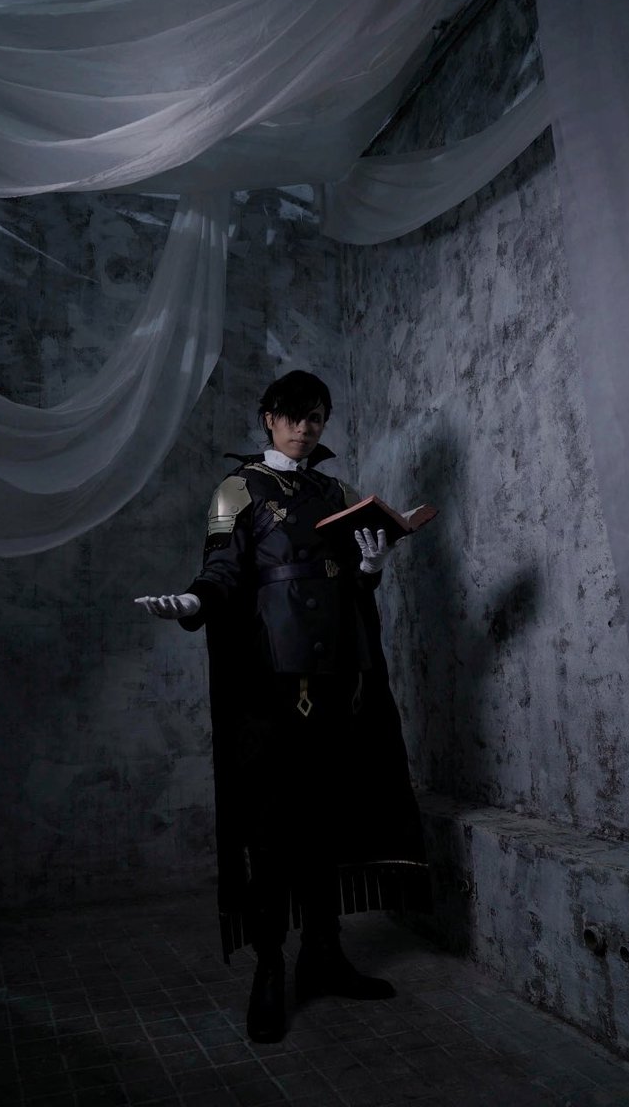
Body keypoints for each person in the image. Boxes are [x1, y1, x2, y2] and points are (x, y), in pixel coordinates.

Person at [136, 370, 428, 1043]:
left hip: (339, 673)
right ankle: (270, 965)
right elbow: (223, 567)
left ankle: (324, 953)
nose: (304, 428)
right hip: (269, 675)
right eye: (293, 416)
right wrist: (194, 601)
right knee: (271, 822)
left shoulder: (338, 492)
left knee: (327, 812)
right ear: (269, 417)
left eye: (316, 417)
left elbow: (350, 578)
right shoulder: (237, 488)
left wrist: (371, 569)